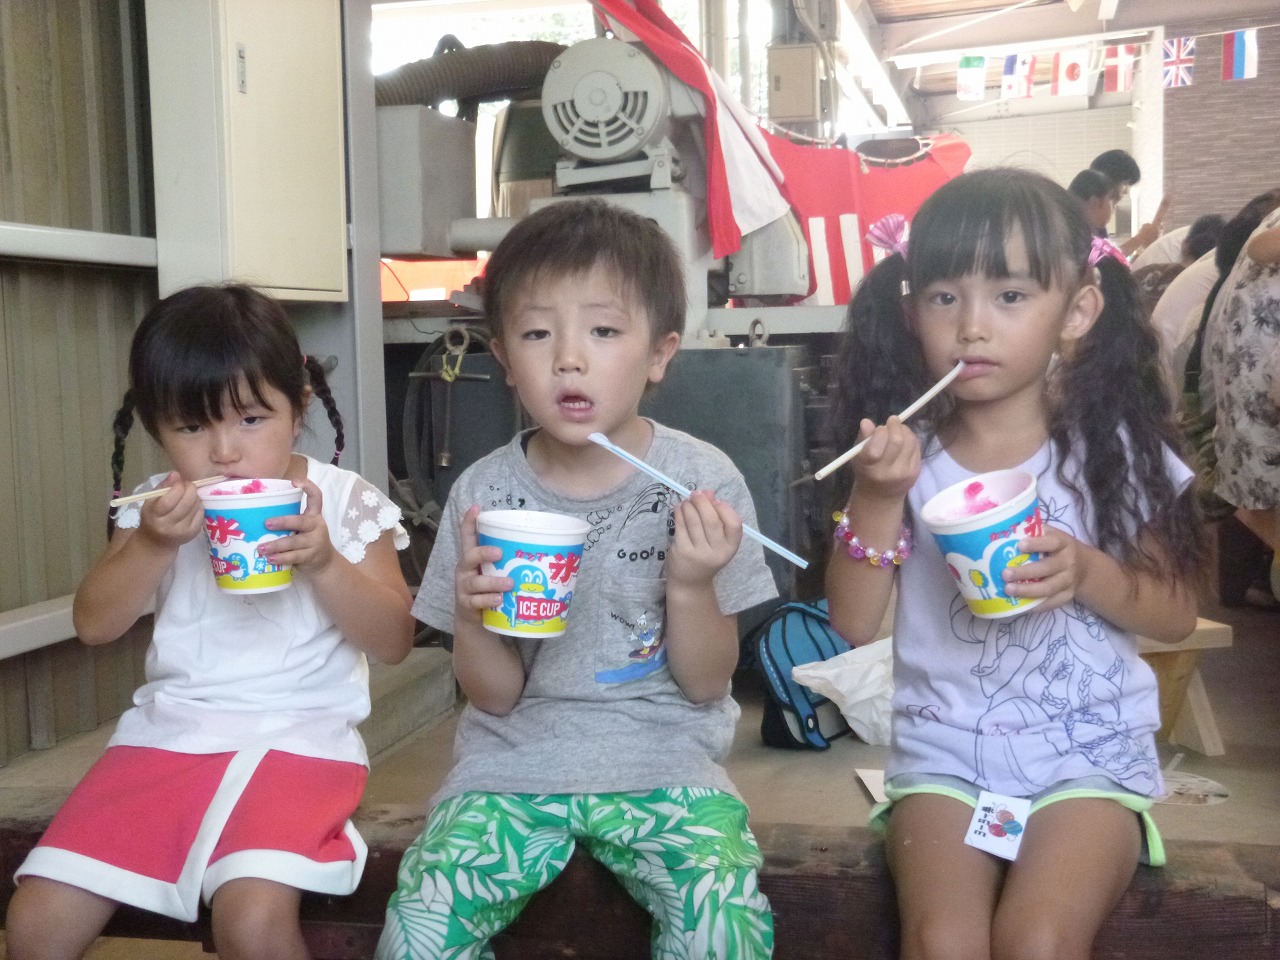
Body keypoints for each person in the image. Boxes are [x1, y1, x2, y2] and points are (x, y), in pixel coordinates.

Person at [376, 199, 777, 960]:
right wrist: (470, 615)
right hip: (509, 770)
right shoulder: (484, 494)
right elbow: (495, 696)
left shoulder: (701, 480)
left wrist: (691, 585)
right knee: (420, 926)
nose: (568, 358)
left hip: (665, 766)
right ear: (504, 359)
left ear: (659, 354)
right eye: (537, 334)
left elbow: (706, 684)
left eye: (603, 331)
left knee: (722, 922)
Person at [825, 168, 1204, 960]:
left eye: (1009, 295)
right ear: (911, 312)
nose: (971, 327)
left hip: (1088, 756)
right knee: (943, 942)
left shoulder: (1112, 452)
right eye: (945, 297)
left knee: (1038, 940)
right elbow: (851, 623)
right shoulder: (904, 459)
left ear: (1078, 311)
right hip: (945, 757)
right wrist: (876, 494)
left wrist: (1086, 573)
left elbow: (1173, 615)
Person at [5, 284, 416, 960]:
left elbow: (395, 640)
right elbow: (95, 624)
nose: (224, 451)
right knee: (35, 922)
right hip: (168, 736)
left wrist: (324, 563)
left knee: (251, 922)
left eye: (251, 419)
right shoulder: (154, 509)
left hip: (300, 741)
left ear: (298, 407)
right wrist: (152, 544)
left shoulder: (345, 502)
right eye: (192, 428)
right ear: (156, 428)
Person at [1202, 196, 1280, 600]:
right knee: (1258, 497)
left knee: (1257, 499)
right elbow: (1262, 248)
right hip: (1257, 373)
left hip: (1251, 372)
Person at [1088, 150, 1163, 258]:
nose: (1126, 191)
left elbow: (1111, 262)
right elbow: (1102, 260)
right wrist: (1140, 238)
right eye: (1125, 183)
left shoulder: (1099, 225)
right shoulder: (1081, 224)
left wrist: (1142, 249)